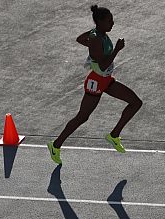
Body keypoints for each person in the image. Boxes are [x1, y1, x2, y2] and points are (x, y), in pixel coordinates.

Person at [48, 5, 142, 165]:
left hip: (105, 80)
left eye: (112, 20)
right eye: (109, 21)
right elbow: (104, 64)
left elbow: (80, 39)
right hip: (96, 82)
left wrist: (92, 44)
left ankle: (114, 135)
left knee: (135, 102)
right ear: (100, 22)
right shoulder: (97, 38)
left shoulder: (99, 35)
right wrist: (116, 50)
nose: (112, 23)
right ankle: (55, 145)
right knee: (82, 117)